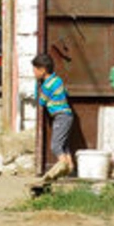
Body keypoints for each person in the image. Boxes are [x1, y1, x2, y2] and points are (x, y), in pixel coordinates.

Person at [33, 52, 74, 180]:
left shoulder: (47, 85)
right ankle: (70, 170)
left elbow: (41, 101)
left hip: (60, 116)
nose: (33, 73)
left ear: (42, 70)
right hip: (67, 115)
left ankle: (63, 169)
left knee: (56, 146)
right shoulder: (58, 80)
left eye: (35, 70)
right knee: (64, 145)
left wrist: (37, 85)